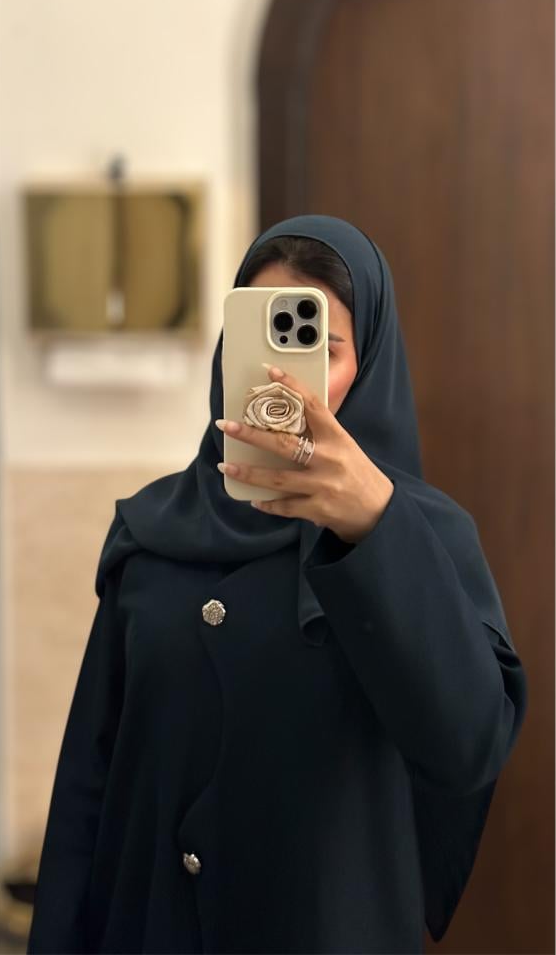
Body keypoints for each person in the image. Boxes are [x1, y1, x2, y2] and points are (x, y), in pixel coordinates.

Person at [27, 215, 528, 955]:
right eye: (260, 340)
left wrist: (376, 531)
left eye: (320, 347)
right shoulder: (151, 529)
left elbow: (469, 747)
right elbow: (87, 787)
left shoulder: (428, 538)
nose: (282, 377)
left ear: (370, 365)